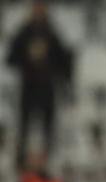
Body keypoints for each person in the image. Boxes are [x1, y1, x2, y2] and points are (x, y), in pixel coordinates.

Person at [5, 0, 71, 169]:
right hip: (29, 86)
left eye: (41, 8)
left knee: (48, 127)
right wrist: (26, 61)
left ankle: (47, 163)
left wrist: (60, 76)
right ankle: (20, 162)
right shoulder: (24, 32)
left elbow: (64, 59)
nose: (39, 11)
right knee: (24, 126)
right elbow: (10, 58)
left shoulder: (51, 32)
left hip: (46, 86)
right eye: (36, 8)